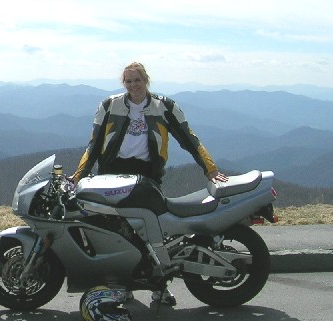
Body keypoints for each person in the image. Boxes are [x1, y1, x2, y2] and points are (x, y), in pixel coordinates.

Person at [71, 61, 228, 306]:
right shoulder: (109, 106)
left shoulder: (165, 107)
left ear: (147, 81)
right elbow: (94, 144)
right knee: (118, 233)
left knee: (153, 230)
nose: (134, 86)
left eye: (138, 80)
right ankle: (124, 285)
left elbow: (189, 139)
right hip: (112, 173)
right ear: (124, 83)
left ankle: (160, 287)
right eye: (129, 81)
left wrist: (211, 169)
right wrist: (78, 176)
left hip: (147, 174)